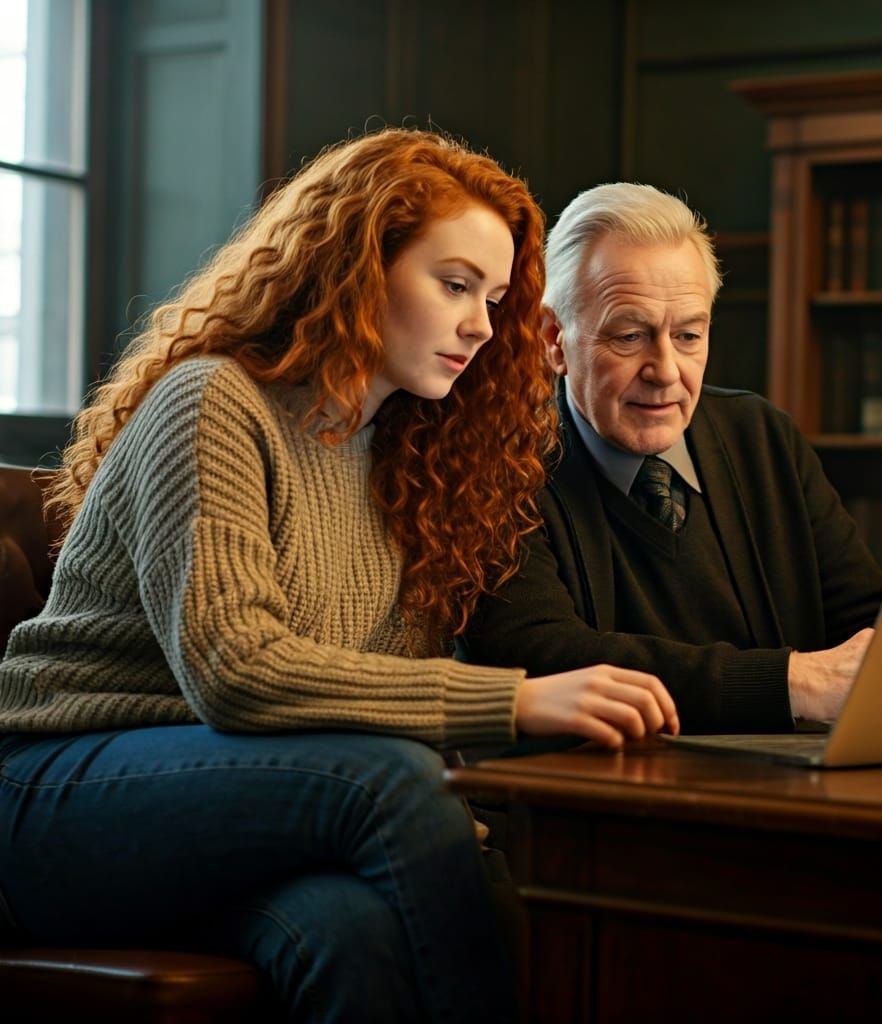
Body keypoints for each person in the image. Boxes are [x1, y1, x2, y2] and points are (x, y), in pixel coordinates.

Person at [0, 132, 679, 1024]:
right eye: (455, 284)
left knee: (350, 933)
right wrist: (514, 701)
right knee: (394, 780)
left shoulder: (410, 460)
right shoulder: (212, 402)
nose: (482, 325)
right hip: (59, 800)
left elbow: (372, 694)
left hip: (239, 808)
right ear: (356, 269)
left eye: (495, 298)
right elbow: (236, 670)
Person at [463, 182, 882, 733]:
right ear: (554, 338)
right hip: (601, 779)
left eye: (688, 336)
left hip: (794, 772)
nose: (665, 371)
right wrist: (789, 682)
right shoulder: (497, 465)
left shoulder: (762, 437)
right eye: (629, 336)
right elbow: (543, 658)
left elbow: (869, 624)